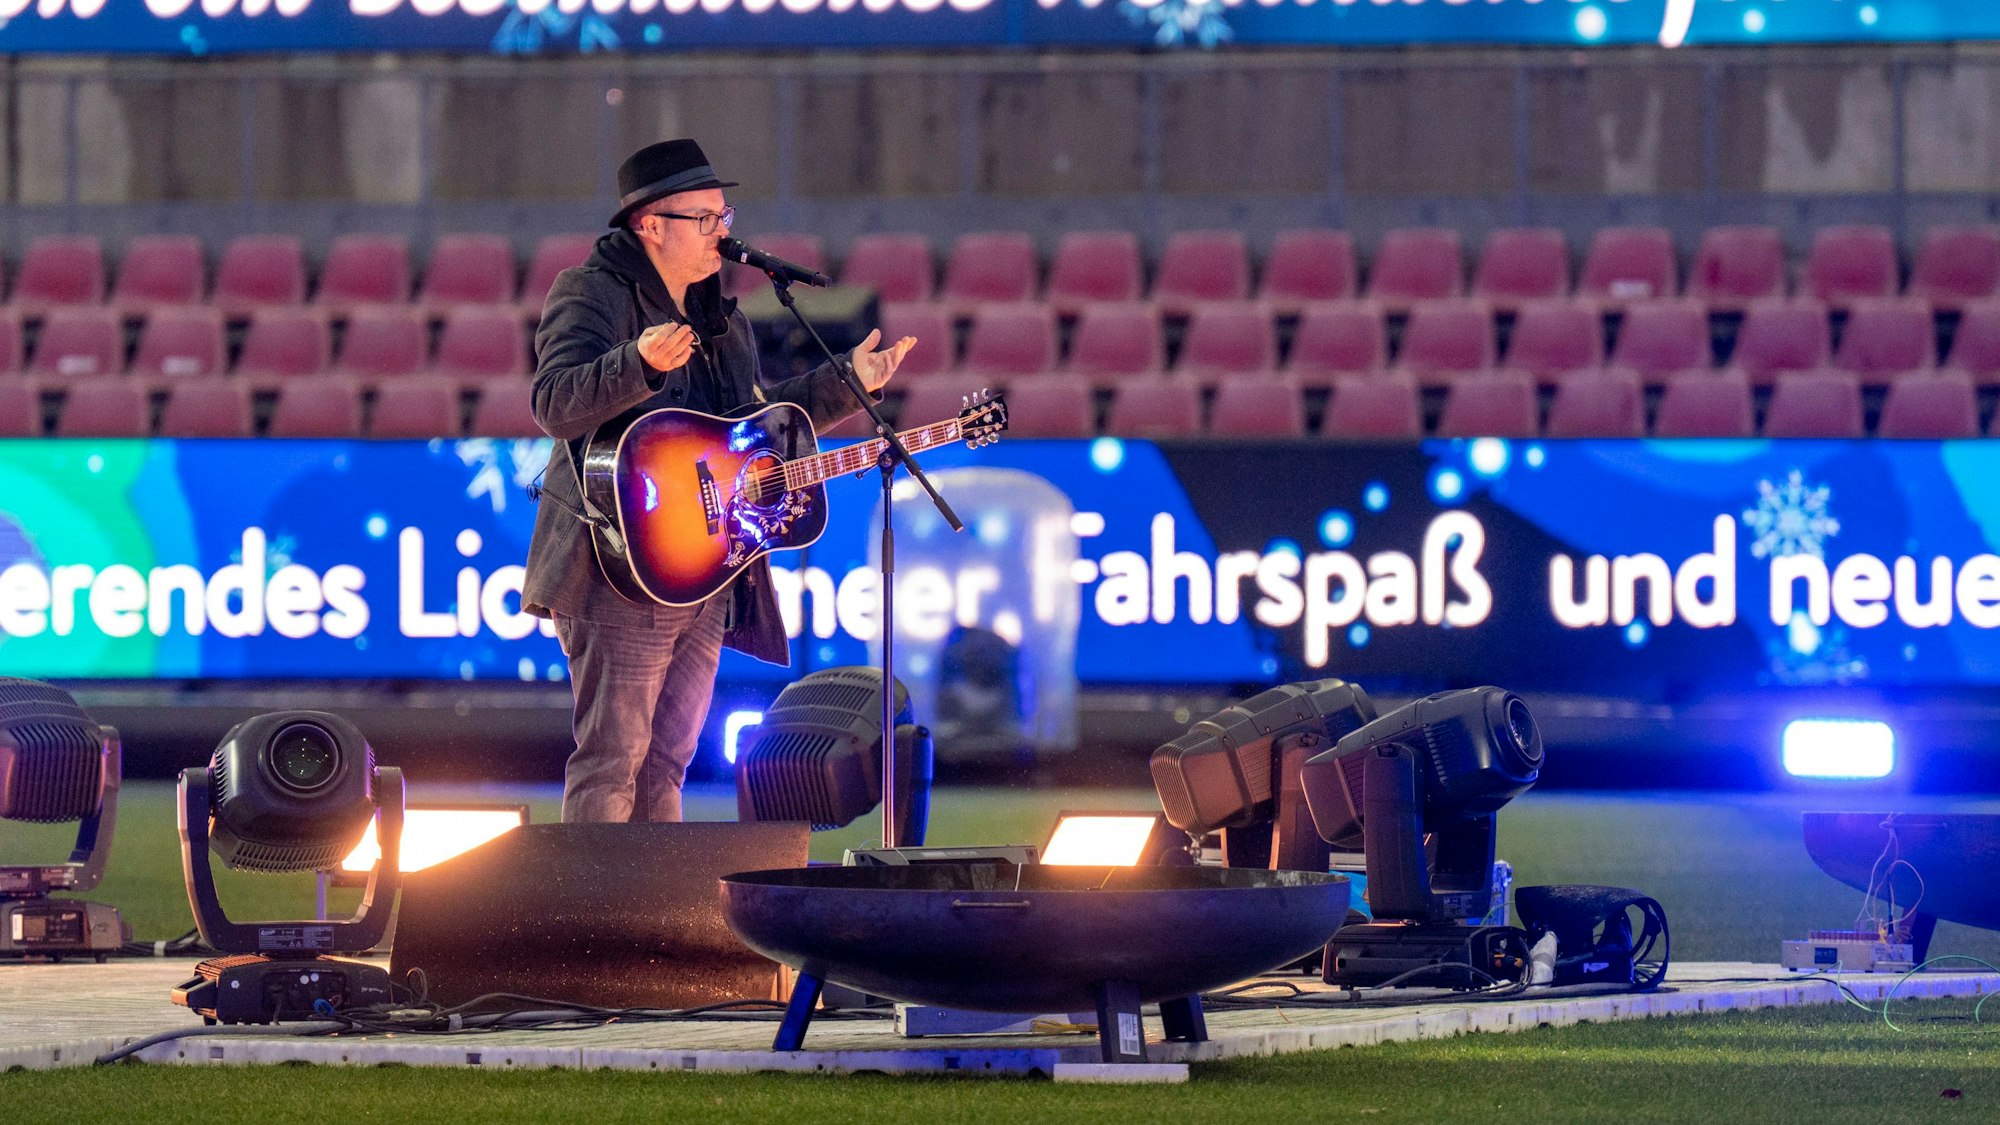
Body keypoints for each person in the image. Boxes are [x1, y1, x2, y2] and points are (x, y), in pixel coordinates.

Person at [522, 138, 916, 823]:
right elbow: (553, 403)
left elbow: (752, 432)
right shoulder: (590, 292)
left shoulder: (721, 322)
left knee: (668, 762)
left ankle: (652, 921)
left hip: (704, 567)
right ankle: (592, 923)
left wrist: (850, 382)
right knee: (613, 758)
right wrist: (636, 365)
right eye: (704, 219)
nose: (723, 233)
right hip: (617, 562)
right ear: (650, 225)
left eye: (723, 215)